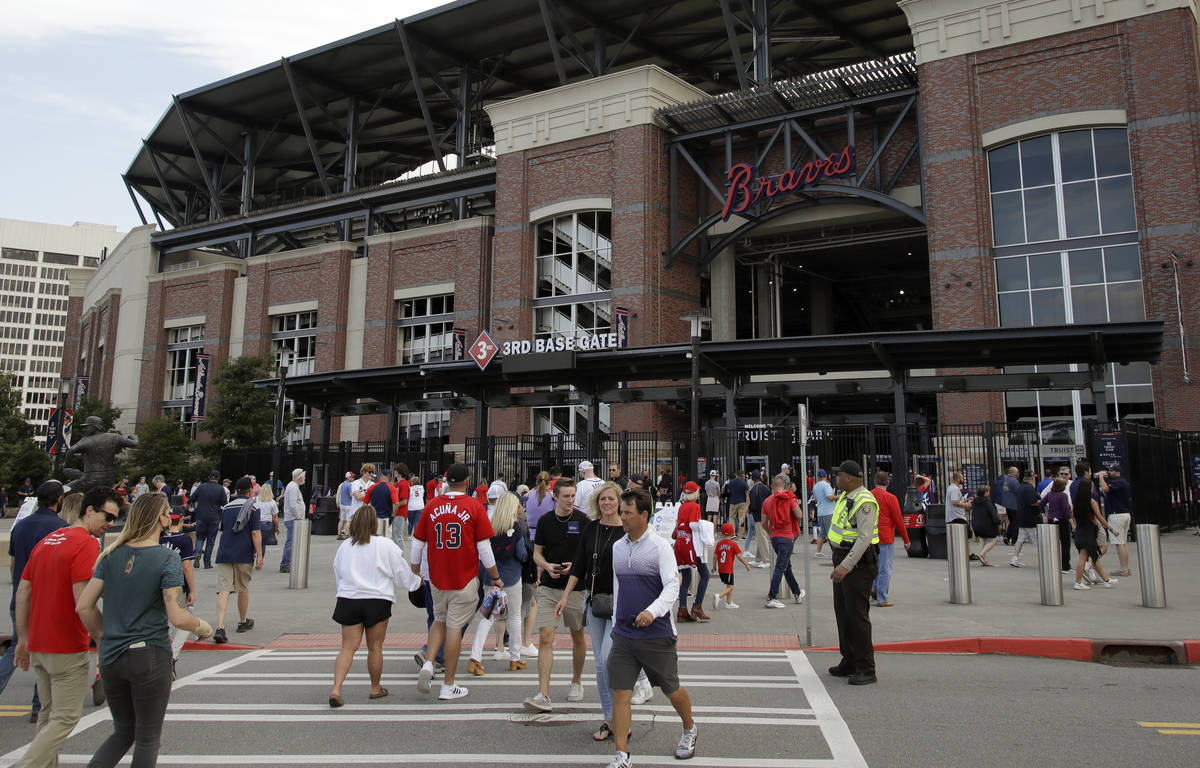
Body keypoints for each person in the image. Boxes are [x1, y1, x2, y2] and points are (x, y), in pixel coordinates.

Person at [76, 494, 212, 768]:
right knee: (148, 738)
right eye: (167, 513)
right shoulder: (166, 558)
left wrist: (104, 635)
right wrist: (203, 627)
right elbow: (177, 615)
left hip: (112, 656)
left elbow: (84, 606)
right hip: (149, 654)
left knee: (122, 732)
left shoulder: (111, 555)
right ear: (161, 518)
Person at [10, 488, 117, 767]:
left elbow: (23, 591)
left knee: (47, 715)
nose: (111, 523)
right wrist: (102, 636)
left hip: (39, 644)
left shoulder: (47, 541)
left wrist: (23, 638)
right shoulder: (86, 543)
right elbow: (83, 601)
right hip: (66, 644)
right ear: (89, 510)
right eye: (108, 516)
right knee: (65, 718)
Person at [606, 488, 697, 768]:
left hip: (656, 634)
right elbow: (618, 587)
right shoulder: (618, 547)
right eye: (622, 512)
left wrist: (652, 611)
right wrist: (615, 619)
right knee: (621, 693)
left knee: (671, 688)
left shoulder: (659, 547)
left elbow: (673, 585)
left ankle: (689, 728)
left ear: (644, 516)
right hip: (624, 634)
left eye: (628, 513)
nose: (622, 517)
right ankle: (621, 755)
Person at [410, 463, 499, 701]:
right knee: (454, 628)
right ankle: (448, 683)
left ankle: (429, 661)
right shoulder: (473, 506)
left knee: (439, 620)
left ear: (447, 481)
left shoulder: (432, 506)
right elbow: (484, 548)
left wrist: (415, 569)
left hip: (437, 576)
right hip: (464, 576)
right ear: (467, 482)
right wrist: (495, 576)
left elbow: (417, 542)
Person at [328, 505, 421, 707]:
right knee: (375, 647)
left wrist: (344, 590)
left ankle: (336, 688)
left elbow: (338, 571)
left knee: (347, 647)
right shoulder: (385, 545)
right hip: (377, 599)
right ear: (374, 523)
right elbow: (401, 573)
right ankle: (375, 687)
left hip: (349, 598)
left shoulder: (345, 546)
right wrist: (417, 583)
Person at [0, 480, 70, 714]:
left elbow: (13, 562)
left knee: (15, 648)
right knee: (47, 651)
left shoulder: (20, 526)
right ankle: (39, 706)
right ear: (59, 500)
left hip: (21, 594)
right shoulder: (61, 528)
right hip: (46, 598)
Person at [523, 479, 588, 712]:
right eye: (566, 496)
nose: (570, 500)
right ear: (555, 497)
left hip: (576, 587)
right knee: (545, 637)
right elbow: (537, 553)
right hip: (550, 586)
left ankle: (577, 680)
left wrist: (576, 566)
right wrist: (547, 566)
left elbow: (588, 554)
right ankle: (543, 693)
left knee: (577, 635)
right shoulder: (545, 521)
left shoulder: (583, 521)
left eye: (573, 496)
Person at [827, 460, 880, 686]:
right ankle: (849, 659)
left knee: (857, 616)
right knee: (843, 612)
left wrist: (846, 566)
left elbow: (864, 539)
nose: (836, 479)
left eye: (839, 476)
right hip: (843, 558)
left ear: (849, 478)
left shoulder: (864, 501)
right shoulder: (846, 497)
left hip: (857, 564)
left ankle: (866, 667)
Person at [467, 492, 529, 675]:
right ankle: (515, 657)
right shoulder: (516, 527)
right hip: (511, 577)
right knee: (515, 616)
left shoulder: (490, 525)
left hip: (492, 577)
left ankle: (475, 657)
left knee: (488, 617)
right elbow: (522, 554)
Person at [211, 477, 264, 644]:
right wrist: (260, 555)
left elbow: (223, 529)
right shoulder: (253, 507)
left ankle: (220, 626)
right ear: (249, 491)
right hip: (243, 552)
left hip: (225, 551)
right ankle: (242, 621)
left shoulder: (226, 507)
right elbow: (255, 532)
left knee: (224, 589)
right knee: (242, 587)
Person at [160, 507, 197, 671]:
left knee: (164, 620)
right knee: (186, 619)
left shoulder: (160, 538)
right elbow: (186, 565)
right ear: (181, 520)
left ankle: (164, 654)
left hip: (159, 583)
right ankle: (172, 656)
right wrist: (192, 589)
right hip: (178, 584)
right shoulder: (184, 539)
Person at [762, 474, 805, 608]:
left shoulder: (767, 501)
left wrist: (771, 533)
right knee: (781, 566)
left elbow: (764, 522)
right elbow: (799, 515)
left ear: (772, 486)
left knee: (786, 566)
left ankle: (797, 592)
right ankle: (772, 596)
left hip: (775, 537)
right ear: (785, 486)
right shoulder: (789, 498)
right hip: (787, 536)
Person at [1071, 477, 1119, 590]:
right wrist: (1111, 529)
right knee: (1084, 556)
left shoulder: (1076, 501)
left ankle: (1106, 580)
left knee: (1094, 555)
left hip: (1080, 530)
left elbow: (1072, 515)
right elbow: (1100, 517)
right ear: (1089, 489)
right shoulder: (1091, 502)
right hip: (1088, 531)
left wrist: (1074, 526)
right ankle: (1078, 582)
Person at [870, 472, 909, 606]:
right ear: (888, 482)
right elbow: (898, 520)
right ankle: (882, 598)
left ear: (875, 481)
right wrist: (906, 539)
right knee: (885, 568)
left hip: (871, 536)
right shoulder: (891, 498)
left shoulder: (869, 495)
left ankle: (874, 588)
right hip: (886, 535)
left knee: (874, 565)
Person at [1097, 466, 1133, 577]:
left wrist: (1100, 477)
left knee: (1119, 543)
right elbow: (1105, 491)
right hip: (1124, 513)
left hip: (1117, 514)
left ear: (1118, 472)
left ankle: (1123, 568)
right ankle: (1125, 567)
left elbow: (1106, 489)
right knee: (1122, 542)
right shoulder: (1123, 483)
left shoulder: (1118, 482)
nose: (1109, 472)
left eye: (1112, 471)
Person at [190, 471, 227, 569]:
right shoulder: (220, 489)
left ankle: (197, 553)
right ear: (218, 478)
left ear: (209, 477)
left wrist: (196, 507)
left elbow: (192, 498)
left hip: (201, 516)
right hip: (214, 517)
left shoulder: (201, 487)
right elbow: (224, 503)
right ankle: (207, 563)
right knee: (211, 540)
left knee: (199, 537)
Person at [1038, 476, 1074, 572]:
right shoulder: (1063, 496)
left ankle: (1054, 563)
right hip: (1062, 520)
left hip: (1051, 519)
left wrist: (1044, 515)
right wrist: (1072, 523)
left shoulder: (1050, 494)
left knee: (1054, 543)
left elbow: (1041, 503)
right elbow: (1066, 510)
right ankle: (1065, 565)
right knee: (1065, 543)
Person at [712, 522, 750, 610]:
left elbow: (715, 556)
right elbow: (739, 557)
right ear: (732, 533)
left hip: (721, 569)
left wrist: (714, 567)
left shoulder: (719, 543)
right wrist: (746, 564)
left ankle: (729, 602)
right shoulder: (733, 544)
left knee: (729, 585)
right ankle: (719, 596)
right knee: (731, 587)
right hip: (728, 569)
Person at [1010, 470, 1041, 567]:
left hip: (1021, 517)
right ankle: (1045, 559)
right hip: (1031, 518)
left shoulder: (1020, 487)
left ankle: (1014, 558)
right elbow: (1032, 502)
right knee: (1038, 541)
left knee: (1020, 539)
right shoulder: (1030, 489)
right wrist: (1042, 502)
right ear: (1032, 478)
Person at [971, 485, 1003, 567]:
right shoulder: (987, 502)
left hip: (977, 524)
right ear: (985, 493)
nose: (989, 493)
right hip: (986, 524)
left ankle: (983, 560)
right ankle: (981, 555)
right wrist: (998, 522)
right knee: (994, 540)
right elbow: (992, 513)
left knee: (983, 540)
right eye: (988, 491)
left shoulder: (974, 501)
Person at [945, 471, 974, 560]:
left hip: (953, 515)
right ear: (958, 479)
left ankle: (966, 552)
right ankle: (968, 553)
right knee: (967, 534)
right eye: (962, 478)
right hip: (957, 516)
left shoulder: (950, 488)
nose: (963, 480)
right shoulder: (955, 489)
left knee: (963, 535)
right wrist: (967, 505)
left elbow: (956, 501)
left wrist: (966, 500)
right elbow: (954, 502)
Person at [812, 469, 838, 558]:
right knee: (831, 533)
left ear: (818, 477)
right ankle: (835, 553)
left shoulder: (815, 486)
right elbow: (830, 497)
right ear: (825, 476)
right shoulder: (826, 485)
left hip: (820, 512)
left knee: (823, 533)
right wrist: (840, 496)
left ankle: (818, 552)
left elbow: (815, 499)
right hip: (829, 512)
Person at [346, 464, 376, 540]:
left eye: (372, 472)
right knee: (356, 535)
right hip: (357, 512)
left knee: (368, 536)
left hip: (368, 513)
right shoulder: (356, 483)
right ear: (364, 472)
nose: (371, 474)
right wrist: (368, 495)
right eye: (369, 472)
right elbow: (358, 496)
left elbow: (374, 498)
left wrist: (365, 495)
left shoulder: (373, 484)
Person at [256, 484, 282, 562]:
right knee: (263, 543)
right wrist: (277, 527)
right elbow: (275, 517)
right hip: (267, 524)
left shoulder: (256, 499)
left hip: (257, 522)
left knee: (255, 541)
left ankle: (252, 556)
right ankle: (260, 559)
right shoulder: (272, 502)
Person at [725, 470, 749, 538]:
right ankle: (741, 534)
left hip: (733, 502)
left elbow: (728, 491)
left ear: (736, 475)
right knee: (741, 518)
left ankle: (732, 533)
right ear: (742, 475)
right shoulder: (744, 483)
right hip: (742, 502)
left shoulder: (731, 482)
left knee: (732, 518)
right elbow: (747, 493)